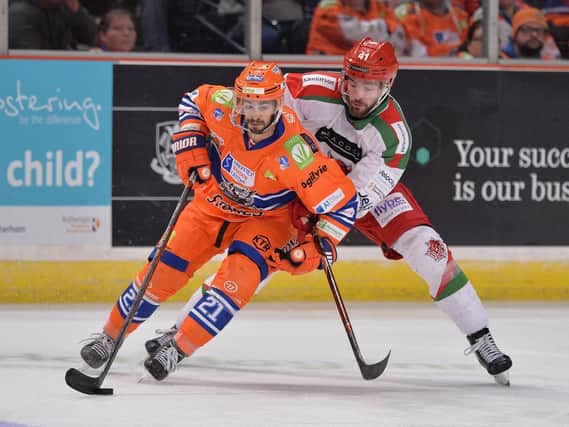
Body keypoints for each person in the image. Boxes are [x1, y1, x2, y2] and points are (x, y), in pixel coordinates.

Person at [152, 37, 513, 386]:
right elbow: (265, 116)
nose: (357, 94)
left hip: (356, 192)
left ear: (388, 84)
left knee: (428, 247)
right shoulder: (310, 88)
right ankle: (180, 332)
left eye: (369, 87)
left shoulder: (393, 136)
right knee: (256, 260)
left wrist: (322, 220)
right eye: (352, 82)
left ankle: (481, 337)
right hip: (297, 183)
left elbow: (357, 198)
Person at [78, 61, 358, 382]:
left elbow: (342, 206)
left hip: (268, 220)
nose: (253, 114)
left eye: (263, 106)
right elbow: (192, 101)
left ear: (278, 104)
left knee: (236, 282)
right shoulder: (223, 107)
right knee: (162, 271)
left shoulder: (297, 152)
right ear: (237, 100)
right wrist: (191, 149)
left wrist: (319, 247)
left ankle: (178, 348)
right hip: (213, 204)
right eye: (247, 104)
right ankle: (110, 337)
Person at [305, 0, 406, 56]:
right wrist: (385, 29)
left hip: (367, 70)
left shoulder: (378, 6)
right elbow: (354, 34)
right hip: (326, 68)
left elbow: (400, 36)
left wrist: (375, 30)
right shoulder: (328, 6)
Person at [8, 0, 97, 50]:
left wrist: (76, 8)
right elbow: (34, 63)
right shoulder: (19, 14)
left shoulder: (63, 9)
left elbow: (92, 37)